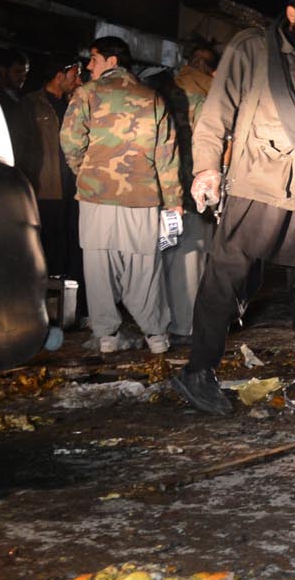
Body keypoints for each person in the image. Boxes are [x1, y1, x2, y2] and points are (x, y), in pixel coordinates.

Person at [171, 0, 295, 412]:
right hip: (256, 183)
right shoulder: (252, 48)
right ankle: (198, 370)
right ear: (291, 12)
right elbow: (217, 112)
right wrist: (206, 169)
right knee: (225, 279)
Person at [61, 36, 182, 354]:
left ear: (112, 61)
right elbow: (167, 155)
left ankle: (106, 336)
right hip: (142, 196)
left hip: (96, 195)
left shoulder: (87, 94)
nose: (89, 66)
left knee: (99, 264)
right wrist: (174, 202)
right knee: (144, 265)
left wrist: (86, 173)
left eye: (94, 59)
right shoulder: (152, 97)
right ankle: (156, 335)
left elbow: (71, 141)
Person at [12, 57, 85, 289]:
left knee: (68, 242)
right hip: (45, 187)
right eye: (74, 75)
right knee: (44, 243)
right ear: (60, 76)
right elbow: (20, 148)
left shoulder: (75, 104)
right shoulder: (31, 104)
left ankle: (66, 299)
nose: (78, 80)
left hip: (72, 188)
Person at [164, 40, 219, 344]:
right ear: (211, 69)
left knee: (170, 255)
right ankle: (187, 325)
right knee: (194, 257)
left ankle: (169, 320)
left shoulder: (163, 90)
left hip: (164, 190)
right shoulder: (213, 97)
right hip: (199, 190)